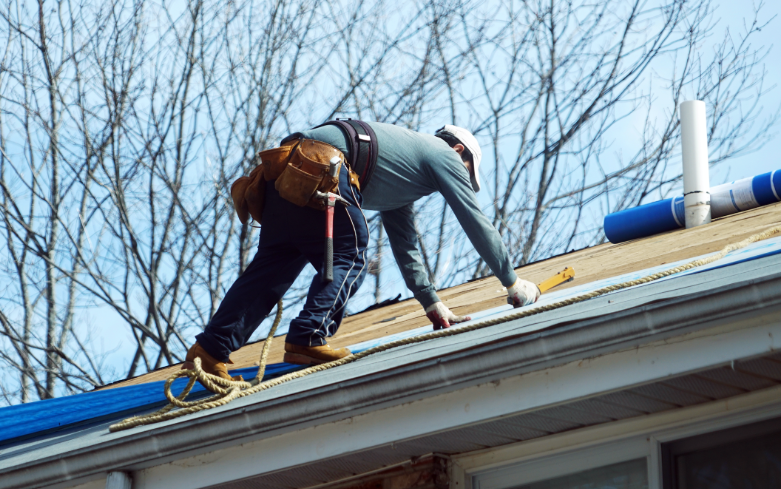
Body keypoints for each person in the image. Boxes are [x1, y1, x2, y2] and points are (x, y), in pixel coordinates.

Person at [182, 122, 539, 379]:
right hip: (323, 165)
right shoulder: (442, 153)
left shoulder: (403, 177)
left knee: (273, 266)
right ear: (458, 151)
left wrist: (432, 303)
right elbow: (474, 219)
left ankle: (210, 349)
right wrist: (511, 282)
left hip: (286, 172)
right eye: (465, 172)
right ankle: (308, 336)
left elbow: (405, 243)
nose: (461, 178)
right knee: (351, 251)